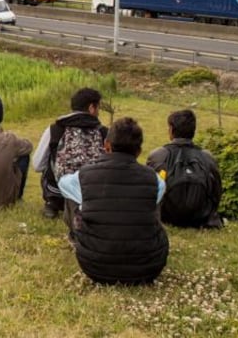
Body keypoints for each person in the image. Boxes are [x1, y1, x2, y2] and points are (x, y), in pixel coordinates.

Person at [58, 117, 169, 285]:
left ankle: (75, 237)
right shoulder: (154, 179)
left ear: (106, 145)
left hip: (95, 266)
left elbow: (62, 183)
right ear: (139, 151)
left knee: (73, 197)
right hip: (148, 267)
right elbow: (155, 200)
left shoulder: (84, 175)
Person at [32, 88, 107, 219]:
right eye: (98, 108)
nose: (98, 112)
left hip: (58, 192)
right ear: (91, 108)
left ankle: (51, 204)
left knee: (48, 161)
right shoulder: (103, 132)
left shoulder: (54, 129)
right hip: (92, 196)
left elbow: (37, 165)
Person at [145, 109, 223, 228]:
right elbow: (216, 191)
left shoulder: (158, 155)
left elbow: (148, 190)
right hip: (201, 216)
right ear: (193, 131)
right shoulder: (207, 157)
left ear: (171, 129)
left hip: (166, 216)